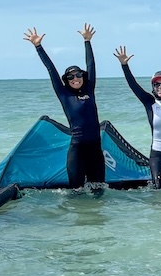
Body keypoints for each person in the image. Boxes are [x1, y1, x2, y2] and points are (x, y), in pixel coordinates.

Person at [24, 23, 104, 191]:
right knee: (76, 192)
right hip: (78, 150)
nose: (75, 78)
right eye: (70, 76)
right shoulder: (64, 94)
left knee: (99, 191)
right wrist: (38, 46)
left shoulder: (89, 88)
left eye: (78, 75)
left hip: (96, 149)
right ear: (66, 80)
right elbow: (50, 69)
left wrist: (87, 41)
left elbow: (91, 65)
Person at [115, 39, 161, 189]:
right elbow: (133, 85)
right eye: (156, 84)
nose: (160, 87)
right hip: (157, 154)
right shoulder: (149, 102)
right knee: (158, 188)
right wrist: (124, 65)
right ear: (153, 87)